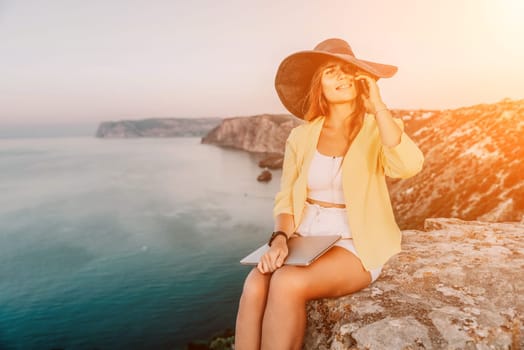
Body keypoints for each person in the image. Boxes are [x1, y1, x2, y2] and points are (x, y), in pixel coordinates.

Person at [234, 38, 424, 350]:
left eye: (348, 71)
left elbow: (408, 166)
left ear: (361, 80)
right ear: (318, 85)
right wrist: (280, 238)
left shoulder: (380, 127)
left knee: (287, 283)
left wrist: (377, 105)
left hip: (356, 238)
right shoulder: (301, 136)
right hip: (306, 234)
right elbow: (286, 197)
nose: (341, 77)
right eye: (330, 71)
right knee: (255, 284)